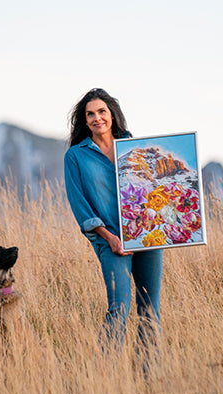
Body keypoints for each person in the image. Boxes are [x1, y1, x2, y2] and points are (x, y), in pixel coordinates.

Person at [64, 88, 163, 351]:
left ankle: (150, 378)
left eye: (102, 112)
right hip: (110, 241)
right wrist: (110, 237)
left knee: (150, 310)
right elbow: (80, 206)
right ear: (84, 121)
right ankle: (105, 378)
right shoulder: (75, 156)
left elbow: (153, 190)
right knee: (118, 308)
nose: (97, 118)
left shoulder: (134, 148)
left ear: (112, 114)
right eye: (90, 114)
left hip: (146, 236)